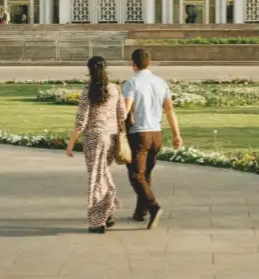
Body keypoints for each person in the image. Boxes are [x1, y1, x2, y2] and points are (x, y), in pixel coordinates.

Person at [66, 56, 127, 234]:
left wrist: (70, 144)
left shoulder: (88, 91)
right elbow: (122, 114)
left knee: (95, 178)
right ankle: (107, 211)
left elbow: (81, 121)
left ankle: (97, 220)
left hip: (94, 138)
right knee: (102, 174)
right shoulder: (115, 89)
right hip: (111, 138)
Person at [123, 49, 183, 229]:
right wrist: (176, 134)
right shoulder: (160, 82)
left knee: (136, 175)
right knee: (145, 175)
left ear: (132, 64)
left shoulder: (131, 83)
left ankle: (153, 206)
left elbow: (125, 110)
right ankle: (140, 212)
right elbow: (170, 110)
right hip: (157, 133)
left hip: (139, 134)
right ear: (151, 63)